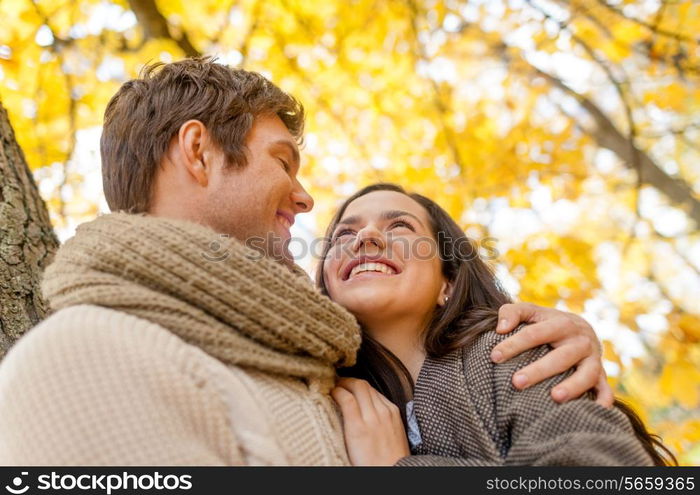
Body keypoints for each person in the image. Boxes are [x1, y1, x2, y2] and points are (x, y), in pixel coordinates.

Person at [0, 57, 608, 465]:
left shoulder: (324, 374)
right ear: (199, 153)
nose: (304, 196)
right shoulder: (85, 359)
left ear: (451, 281)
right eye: (283, 161)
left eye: (400, 227)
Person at [318, 183, 676, 466]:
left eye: (399, 226)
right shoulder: (323, 386)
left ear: (450, 283)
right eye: (344, 235)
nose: (366, 237)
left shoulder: (511, 351)